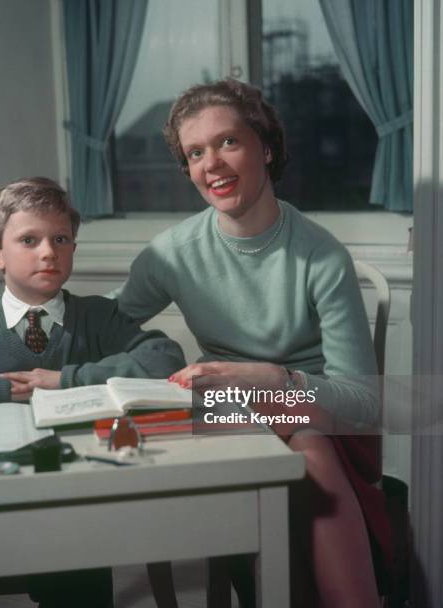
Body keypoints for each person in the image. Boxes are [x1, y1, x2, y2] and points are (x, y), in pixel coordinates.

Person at [118, 79, 391, 607]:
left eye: (227, 142)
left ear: (265, 147)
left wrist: (279, 381)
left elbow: (364, 403)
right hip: (225, 412)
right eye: (195, 153)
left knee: (309, 446)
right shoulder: (171, 253)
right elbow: (104, 322)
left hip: (319, 417)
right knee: (148, 435)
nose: (211, 164)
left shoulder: (322, 256)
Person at [0, 176, 186, 608]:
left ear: (73, 249)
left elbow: (164, 359)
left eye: (61, 239)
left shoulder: (97, 316)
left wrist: (64, 379)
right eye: (29, 239)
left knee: (83, 580)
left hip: (73, 500)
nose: (48, 252)